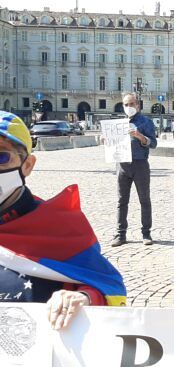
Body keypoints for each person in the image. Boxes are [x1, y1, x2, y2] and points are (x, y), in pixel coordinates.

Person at [0, 111, 126, 330]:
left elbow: (110, 287)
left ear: (28, 165)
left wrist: (85, 298)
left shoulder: (61, 225)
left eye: (1, 156)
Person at [110, 93, 158, 247]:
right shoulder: (118, 123)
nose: (129, 107)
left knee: (144, 199)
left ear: (138, 105)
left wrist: (139, 136)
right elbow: (112, 145)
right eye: (126, 105)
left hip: (140, 164)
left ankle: (146, 233)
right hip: (122, 164)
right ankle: (120, 234)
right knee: (121, 200)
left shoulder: (146, 122)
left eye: (131, 104)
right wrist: (106, 140)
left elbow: (153, 143)